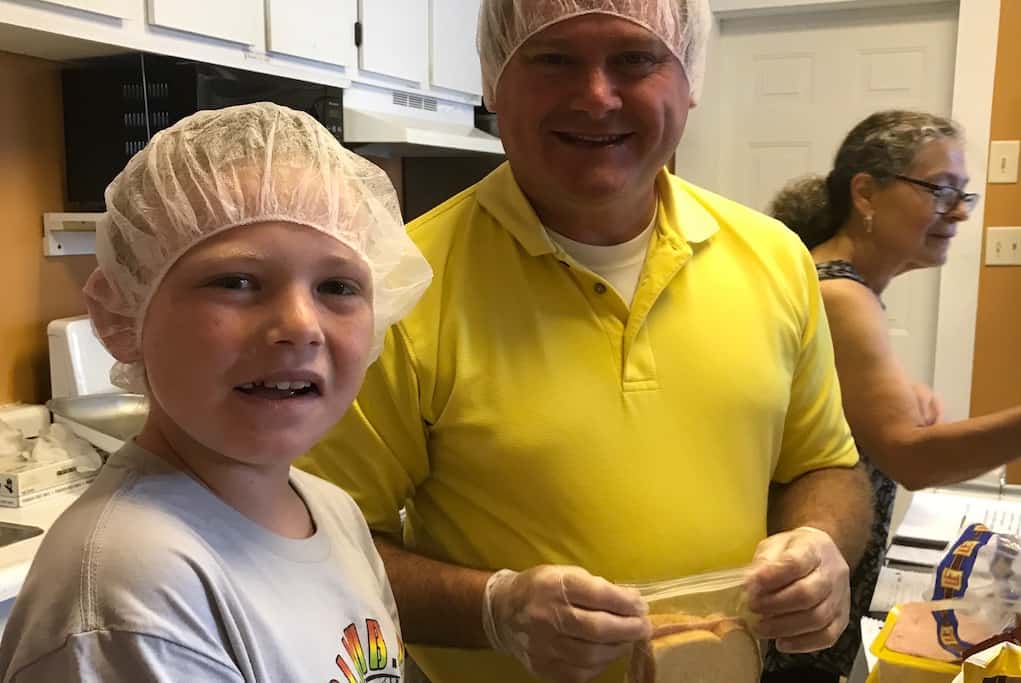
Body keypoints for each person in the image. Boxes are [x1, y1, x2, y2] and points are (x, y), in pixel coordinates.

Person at [300, 2, 874, 682]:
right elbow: (323, 547)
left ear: (689, 79)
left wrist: (820, 542)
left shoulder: (774, 258)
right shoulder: (398, 290)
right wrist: (494, 608)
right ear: (493, 82)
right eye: (553, 59)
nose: (595, 96)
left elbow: (824, 465)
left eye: (635, 59)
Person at [0, 102, 432, 682]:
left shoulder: (330, 510)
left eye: (337, 285)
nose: (301, 325)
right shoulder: (134, 590)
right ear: (123, 315)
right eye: (236, 282)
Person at [767, 109, 1021, 681]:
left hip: (801, 583)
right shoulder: (840, 296)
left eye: (964, 195)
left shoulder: (835, 285)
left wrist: (897, 396)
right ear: (865, 193)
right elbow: (912, 457)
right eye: (941, 190)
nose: (957, 211)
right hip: (795, 596)